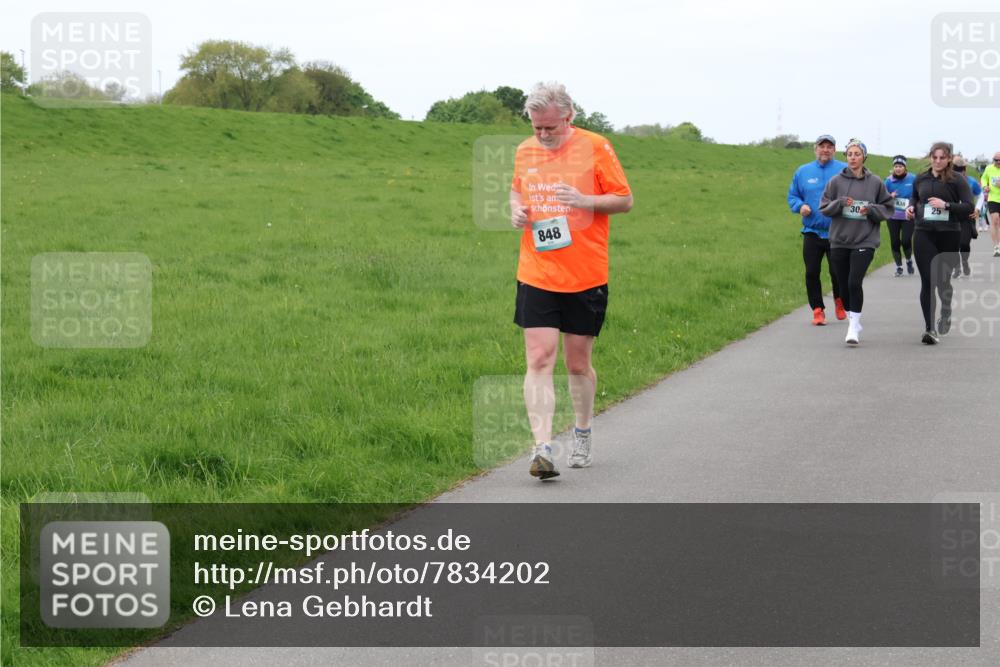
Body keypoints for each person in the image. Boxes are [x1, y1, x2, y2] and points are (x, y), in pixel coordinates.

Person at [510, 82, 633, 480]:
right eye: (536, 127)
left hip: (585, 275)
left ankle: (582, 433)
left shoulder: (596, 146)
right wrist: (516, 210)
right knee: (539, 358)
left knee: (577, 364)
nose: (542, 135)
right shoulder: (525, 150)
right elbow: (516, 193)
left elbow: (624, 199)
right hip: (537, 271)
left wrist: (585, 201)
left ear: (569, 117)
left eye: (550, 128)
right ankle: (542, 448)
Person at [819, 139, 893, 345]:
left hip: (865, 240)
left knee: (854, 282)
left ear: (864, 157)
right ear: (846, 157)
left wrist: (871, 209)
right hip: (840, 240)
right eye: (849, 154)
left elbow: (888, 208)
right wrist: (840, 203)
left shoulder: (876, 182)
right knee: (842, 287)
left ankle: (853, 327)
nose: (852, 157)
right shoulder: (835, 182)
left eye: (856, 154)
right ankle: (854, 319)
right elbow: (824, 207)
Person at [905, 142, 975, 344]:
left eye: (942, 158)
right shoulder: (921, 178)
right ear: (930, 158)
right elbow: (915, 198)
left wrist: (946, 205)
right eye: (934, 157)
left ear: (949, 159)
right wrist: (911, 208)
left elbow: (968, 207)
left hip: (949, 235)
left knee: (943, 281)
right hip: (923, 233)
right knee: (928, 281)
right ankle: (929, 329)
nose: (937, 161)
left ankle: (946, 310)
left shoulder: (957, 180)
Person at [788, 135, 848, 325]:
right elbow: (793, 196)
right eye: (822, 146)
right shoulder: (803, 171)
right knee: (812, 272)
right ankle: (817, 309)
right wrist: (800, 206)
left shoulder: (843, 170)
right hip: (812, 231)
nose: (825, 150)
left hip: (836, 231)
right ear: (815, 149)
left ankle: (840, 301)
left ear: (834, 150)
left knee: (837, 271)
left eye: (829, 147)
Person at [884, 155, 916, 277]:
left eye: (900, 166)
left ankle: (908, 260)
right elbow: (881, 197)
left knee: (906, 240)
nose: (898, 168)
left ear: (905, 167)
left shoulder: (913, 179)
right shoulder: (888, 181)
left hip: (908, 215)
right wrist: (889, 196)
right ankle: (899, 267)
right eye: (896, 166)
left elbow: (918, 194)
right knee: (895, 242)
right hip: (892, 216)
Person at [952, 156, 982, 278]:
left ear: (965, 170)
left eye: (961, 169)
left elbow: (980, 195)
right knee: (952, 244)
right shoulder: (947, 181)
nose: (959, 172)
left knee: (964, 244)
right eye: (956, 169)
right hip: (951, 216)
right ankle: (956, 266)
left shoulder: (971, 181)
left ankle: (964, 262)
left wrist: (977, 209)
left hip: (967, 216)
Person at [982, 151, 1000, 257]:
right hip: (993, 198)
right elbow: (984, 178)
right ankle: (996, 247)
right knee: (995, 220)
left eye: (999, 160)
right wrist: (985, 186)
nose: (997, 162)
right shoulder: (989, 168)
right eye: (995, 160)